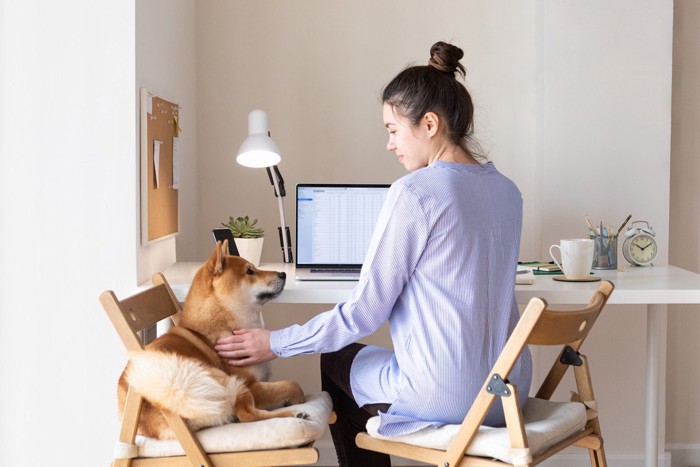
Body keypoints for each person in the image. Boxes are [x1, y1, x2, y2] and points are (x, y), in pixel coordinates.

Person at [215, 41, 532, 467]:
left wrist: (275, 342)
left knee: (336, 359)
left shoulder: (415, 193)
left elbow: (364, 313)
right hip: (510, 392)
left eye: (393, 130)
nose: (390, 144)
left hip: (449, 399)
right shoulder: (508, 191)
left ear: (430, 124)